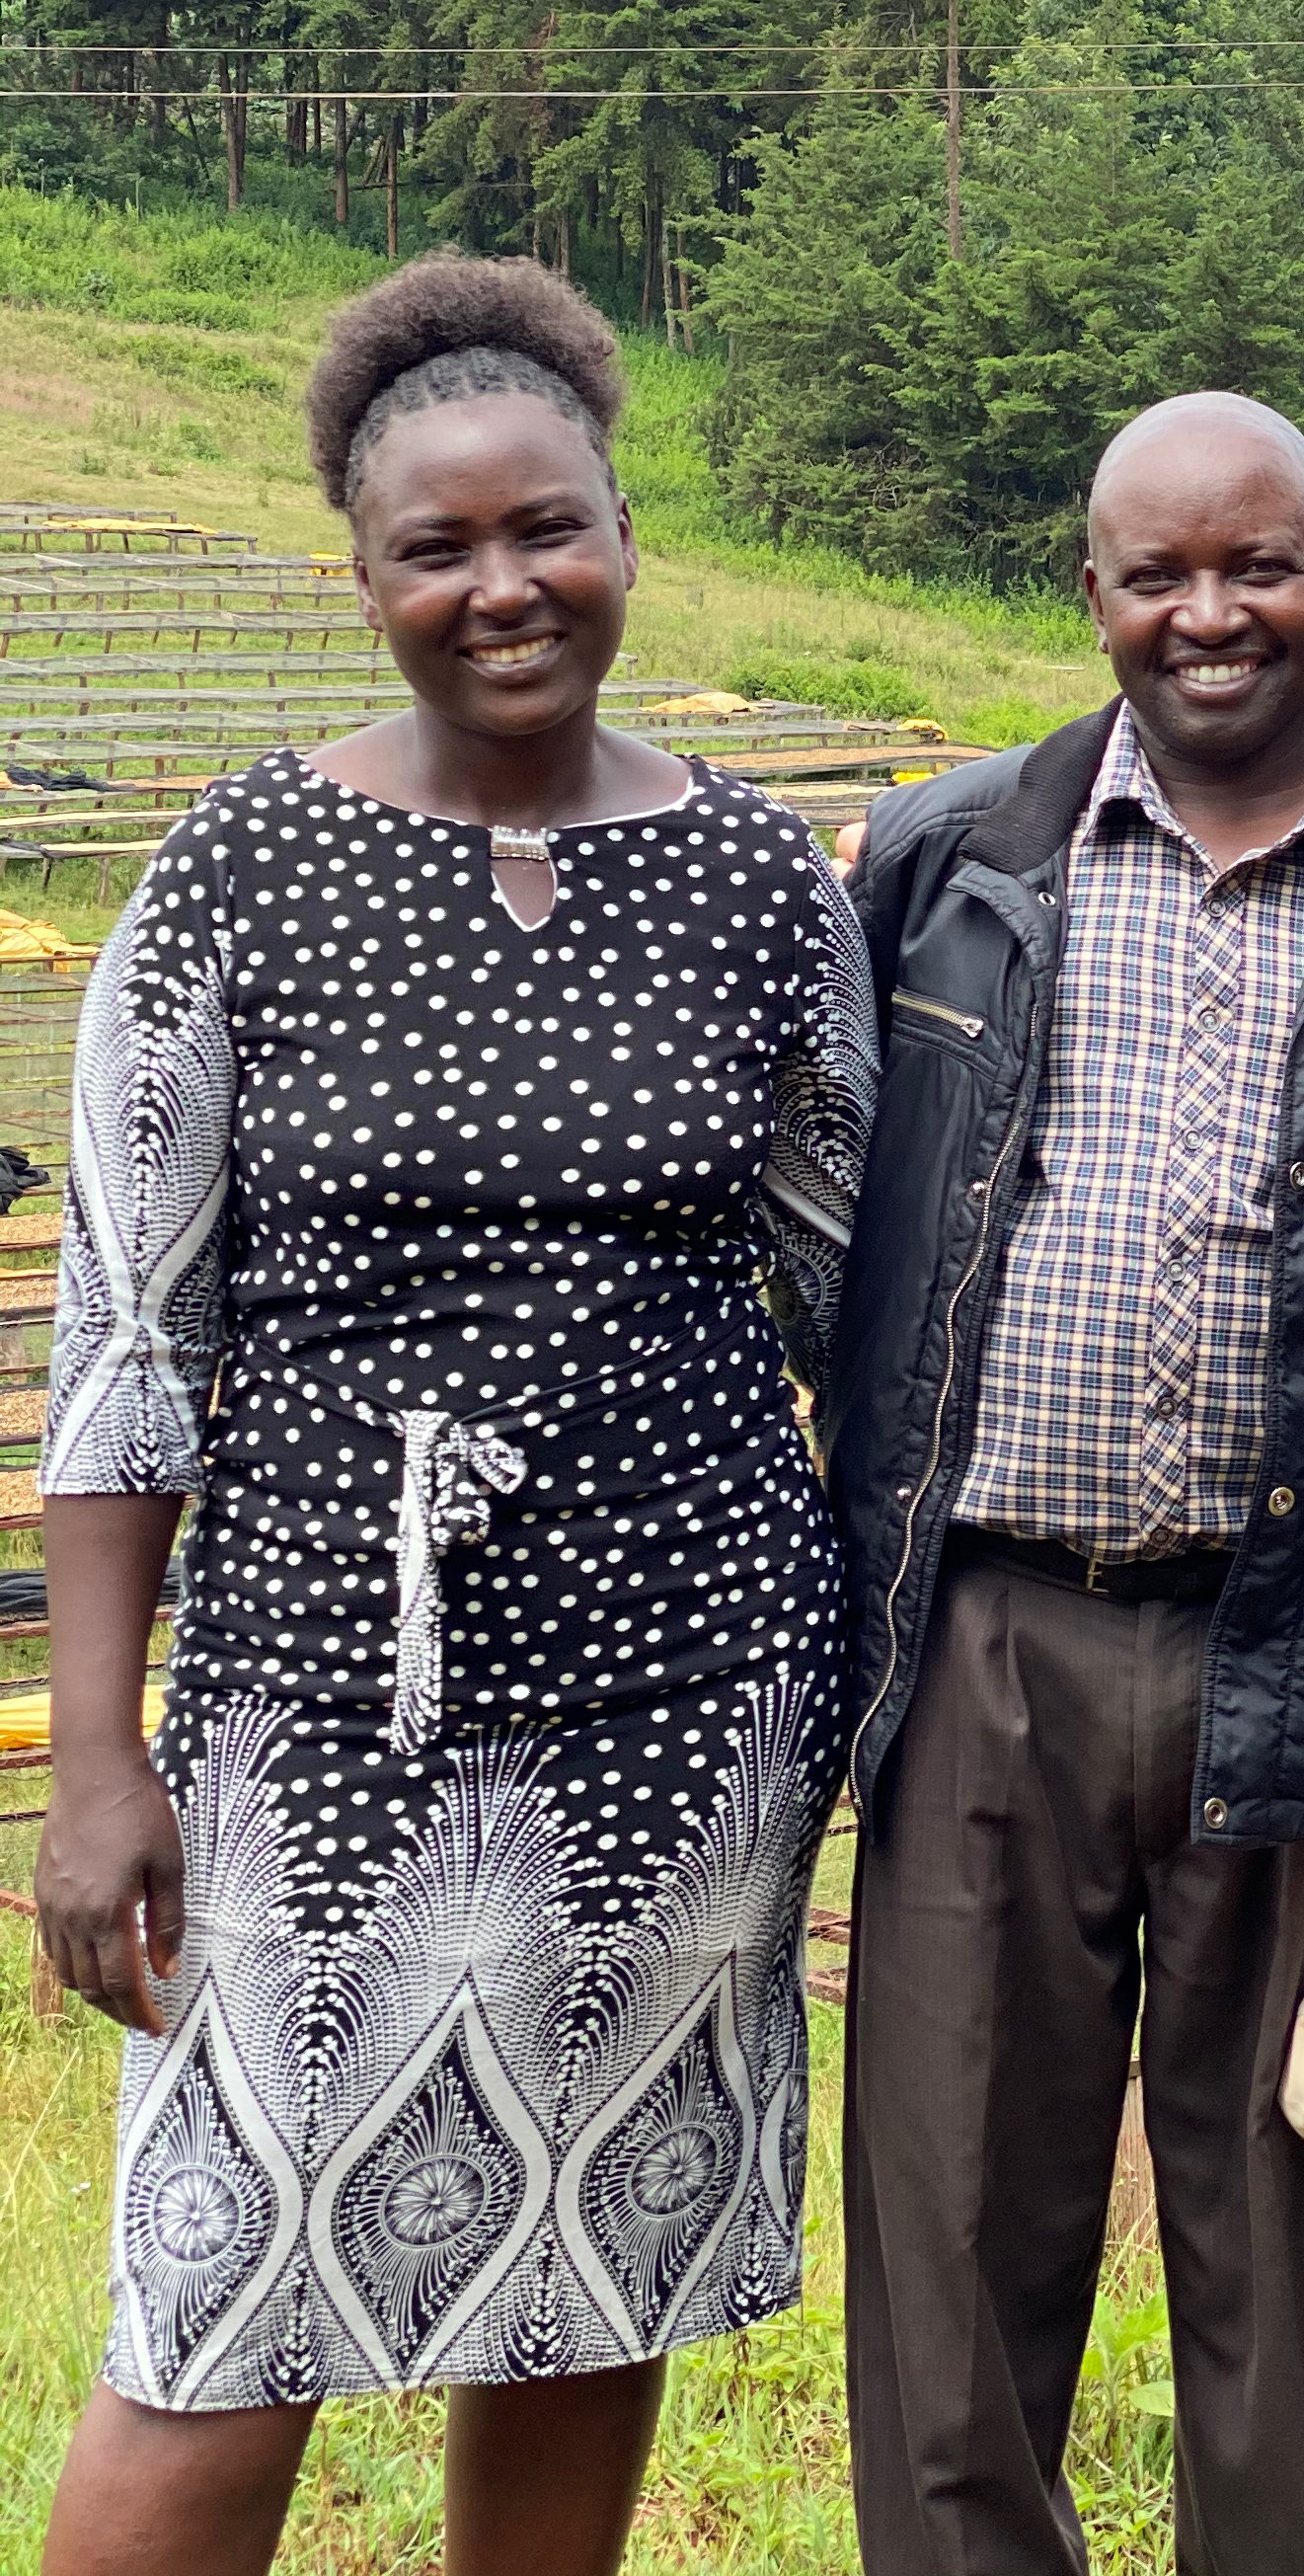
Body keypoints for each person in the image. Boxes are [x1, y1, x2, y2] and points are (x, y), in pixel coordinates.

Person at [35, 256, 877, 2576]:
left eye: (551, 529)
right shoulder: (241, 872)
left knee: (581, 2294)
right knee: (218, 2318)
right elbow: (124, 1339)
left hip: (686, 1721)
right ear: (365, 572)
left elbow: (843, 1288)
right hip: (319, 1729)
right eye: (441, 546)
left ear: (625, 525)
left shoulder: (754, 882)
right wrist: (100, 1759)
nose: (506, 585)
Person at [826, 391, 1304, 2576]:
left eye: (1257, 564)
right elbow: (832, 1232)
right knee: (956, 2270)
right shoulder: (950, 860)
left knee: (1299, 2273)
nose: (1210, 615)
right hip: (991, 1636)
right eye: (1156, 574)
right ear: (1089, 597)